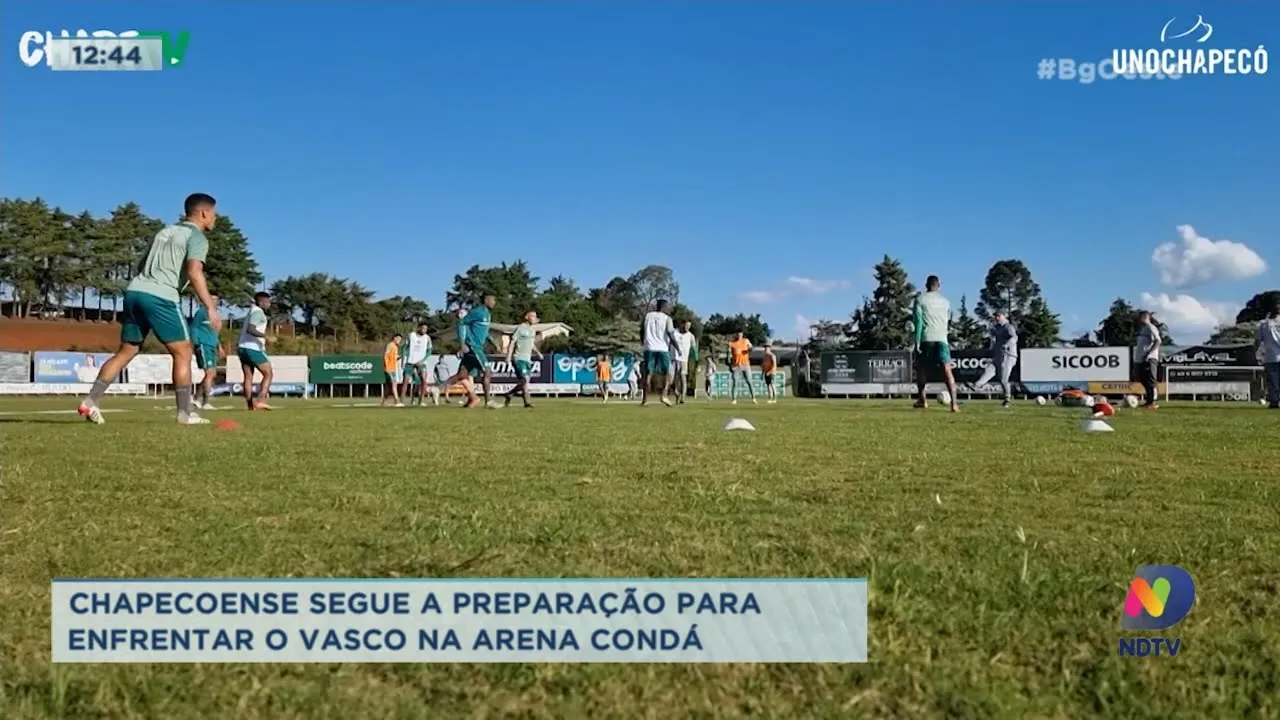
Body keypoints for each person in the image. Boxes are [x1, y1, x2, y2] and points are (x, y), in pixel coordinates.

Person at [78, 193, 221, 425]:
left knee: (127, 351)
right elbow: (195, 272)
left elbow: (142, 265)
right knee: (183, 352)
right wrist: (210, 307)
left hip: (135, 292)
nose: (215, 218)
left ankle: (90, 401)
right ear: (204, 213)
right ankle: (184, 414)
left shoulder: (164, 232)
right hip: (161, 296)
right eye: (214, 213)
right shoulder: (197, 237)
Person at [913, 275, 959, 411]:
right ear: (938, 286)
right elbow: (949, 320)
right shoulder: (946, 302)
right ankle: (954, 404)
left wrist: (917, 341)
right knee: (947, 369)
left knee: (921, 369)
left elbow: (918, 322)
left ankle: (922, 400)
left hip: (926, 338)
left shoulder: (920, 300)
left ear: (926, 286)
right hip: (942, 339)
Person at [443, 295, 495, 408]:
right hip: (474, 347)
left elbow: (484, 331)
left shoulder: (487, 314)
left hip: (476, 347)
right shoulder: (478, 312)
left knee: (462, 375)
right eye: (492, 300)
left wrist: (493, 342)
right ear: (486, 300)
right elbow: (461, 323)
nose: (494, 302)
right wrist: (462, 344)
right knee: (487, 371)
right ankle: (488, 401)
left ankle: (437, 389)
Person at [237, 292, 275, 411]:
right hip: (253, 348)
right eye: (268, 302)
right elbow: (251, 329)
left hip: (242, 347)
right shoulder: (258, 312)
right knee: (268, 373)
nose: (269, 304)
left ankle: (250, 406)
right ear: (261, 302)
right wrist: (266, 336)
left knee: (248, 377)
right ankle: (261, 400)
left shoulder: (251, 311)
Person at [641, 299, 677, 406]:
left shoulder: (648, 316)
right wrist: (677, 347)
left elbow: (642, 330)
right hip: (662, 347)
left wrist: (643, 342)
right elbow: (670, 333)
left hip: (649, 347)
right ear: (664, 307)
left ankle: (645, 399)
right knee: (668, 372)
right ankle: (664, 395)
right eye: (667, 307)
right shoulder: (667, 318)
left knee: (648, 373)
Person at [503, 310, 543, 408]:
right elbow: (512, 342)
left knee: (526, 381)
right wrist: (508, 356)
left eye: (535, 316)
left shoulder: (532, 330)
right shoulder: (520, 328)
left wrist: (538, 352)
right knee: (524, 379)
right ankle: (526, 401)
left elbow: (531, 344)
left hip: (527, 359)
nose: (534, 318)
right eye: (532, 316)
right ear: (526, 317)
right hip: (519, 358)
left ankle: (511, 394)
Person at [979, 311, 1018, 407]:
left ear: (1004, 316)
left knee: (1003, 379)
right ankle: (975, 386)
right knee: (989, 371)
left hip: (1008, 355)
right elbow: (992, 337)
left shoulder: (1008, 327)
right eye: (996, 316)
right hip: (998, 356)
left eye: (999, 316)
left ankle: (1007, 399)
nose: (997, 318)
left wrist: (1007, 345)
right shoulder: (997, 327)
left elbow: (1014, 337)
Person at [191, 294, 223, 410]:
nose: (215, 301)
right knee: (209, 373)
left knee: (212, 374)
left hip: (212, 345)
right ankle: (206, 402)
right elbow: (194, 327)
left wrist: (219, 346)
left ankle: (196, 398)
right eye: (212, 299)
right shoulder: (202, 312)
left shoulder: (215, 314)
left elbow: (214, 332)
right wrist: (196, 343)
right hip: (203, 344)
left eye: (216, 299)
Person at [1133, 310, 1161, 409]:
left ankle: (1152, 401)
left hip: (1149, 359)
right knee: (1141, 378)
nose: (1138, 319)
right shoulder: (1143, 329)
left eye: (1140, 317)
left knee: (1150, 380)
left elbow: (1158, 341)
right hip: (1140, 359)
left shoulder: (1151, 327)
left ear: (1145, 317)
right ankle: (1148, 400)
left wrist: (1149, 354)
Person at [402, 322, 433, 406]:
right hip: (410, 361)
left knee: (423, 380)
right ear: (419, 328)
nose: (424, 330)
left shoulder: (427, 338)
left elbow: (430, 350)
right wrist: (403, 360)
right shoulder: (411, 335)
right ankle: (402, 401)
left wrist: (423, 360)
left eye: (426, 329)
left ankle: (421, 401)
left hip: (421, 363)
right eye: (423, 328)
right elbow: (405, 347)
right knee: (405, 380)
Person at [1257, 304, 1280, 409]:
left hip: (1271, 356)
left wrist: (1256, 352)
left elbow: (1258, 339)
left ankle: (1274, 401)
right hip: (1272, 355)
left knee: (1273, 381)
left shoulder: (1264, 324)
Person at [668, 320, 696, 404]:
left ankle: (683, 398)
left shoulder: (690, 336)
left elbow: (693, 348)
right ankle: (676, 393)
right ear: (681, 324)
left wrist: (694, 359)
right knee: (672, 379)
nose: (687, 328)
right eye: (686, 325)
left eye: (689, 326)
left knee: (683, 378)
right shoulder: (674, 332)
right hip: (673, 359)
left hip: (684, 360)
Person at [728, 332, 757, 405]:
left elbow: (751, 347)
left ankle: (754, 398)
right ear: (736, 334)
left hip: (746, 365)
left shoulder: (746, 341)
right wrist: (730, 365)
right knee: (735, 383)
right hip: (736, 366)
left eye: (741, 333)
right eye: (738, 333)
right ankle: (734, 399)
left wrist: (750, 349)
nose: (739, 335)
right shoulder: (732, 344)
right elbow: (728, 355)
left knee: (749, 381)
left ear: (742, 334)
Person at [382, 332, 404, 407]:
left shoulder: (395, 347)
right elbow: (386, 355)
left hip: (393, 368)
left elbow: (394, 357)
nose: (399, 341)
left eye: (400, 340)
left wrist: (400, 356)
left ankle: (384, 402)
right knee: (394, 384)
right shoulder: (390, 345)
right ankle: (397, 401)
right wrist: (386, 366)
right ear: (394, 338)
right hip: (389, 368)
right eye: (398, 339)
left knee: (389, 386)